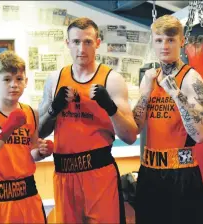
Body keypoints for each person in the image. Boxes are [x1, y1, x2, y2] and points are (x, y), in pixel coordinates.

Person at [38, 17, 138, 223]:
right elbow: (39, 131)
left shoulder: (111, 79)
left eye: (88, 42)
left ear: (98, 43)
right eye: (75, 42)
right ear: (67, 43)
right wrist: (53, 109)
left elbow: (130, 135)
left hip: (98, 174)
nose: (81, 48)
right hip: (64, 175)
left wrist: (110, 107)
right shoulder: (55, 79)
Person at [132, 15, 203, 224]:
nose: (164, 46)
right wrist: (145, 94)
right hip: (149, 173)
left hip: (181, 175)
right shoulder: (149, 78)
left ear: (182, 42)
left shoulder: (190, 78)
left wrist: (176, 94)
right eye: (159, 40)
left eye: (170, 40)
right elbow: (134, 129)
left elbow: (201, 134)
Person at [0, 50, 53, 223]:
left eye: (19, 79)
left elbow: (31, 152)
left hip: (27, 196)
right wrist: (7, 129)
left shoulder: (32, 113)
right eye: (7, 79)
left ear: (26, 82)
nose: (14, 84)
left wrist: (41, 152)